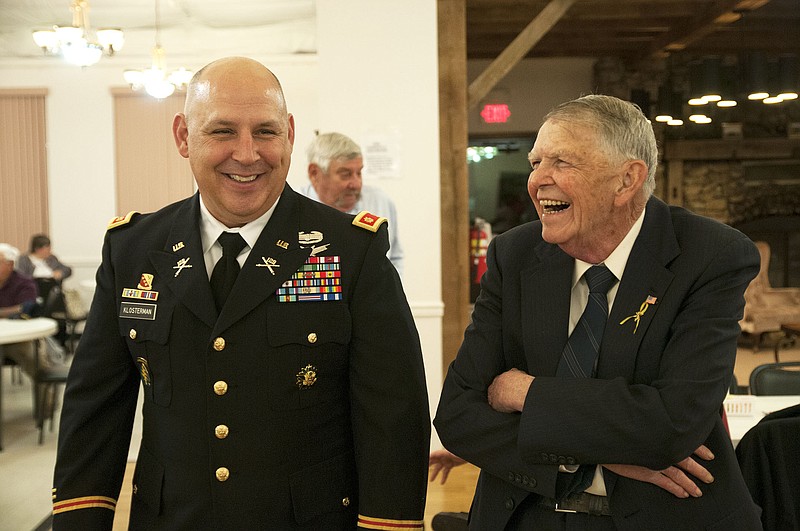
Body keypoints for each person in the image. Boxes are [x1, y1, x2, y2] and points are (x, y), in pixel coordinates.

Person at [52, 57, 430, 530]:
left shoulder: (352, 251)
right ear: (183, 137)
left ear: (290, 134)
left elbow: (392, 416)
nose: (248, 154)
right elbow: (95, 411)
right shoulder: (134, 249)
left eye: (266, 132)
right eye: (222, 131)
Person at [434, 95, 763, 530]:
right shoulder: (514, 255)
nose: (537, 180)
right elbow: (458, 416)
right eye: (536, 162)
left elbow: (672, 423)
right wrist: (594, 455)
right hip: (525, 514)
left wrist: (524, 393)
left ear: (627, 179)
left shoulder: (710, 256)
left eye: (562, 162)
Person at [299, 132, 405, 276]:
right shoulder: (293, 208)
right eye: (345, 175)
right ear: (315, 173)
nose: (356, 184)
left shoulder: (380, 202)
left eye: (359, 173)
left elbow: (395, 259)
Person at [0, 243, 43, 375]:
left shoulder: (24, 283)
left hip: (18, 339)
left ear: (10, 265)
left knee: (38, 363)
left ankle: (45, 394)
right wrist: (10, 310)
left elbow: (25, 308)